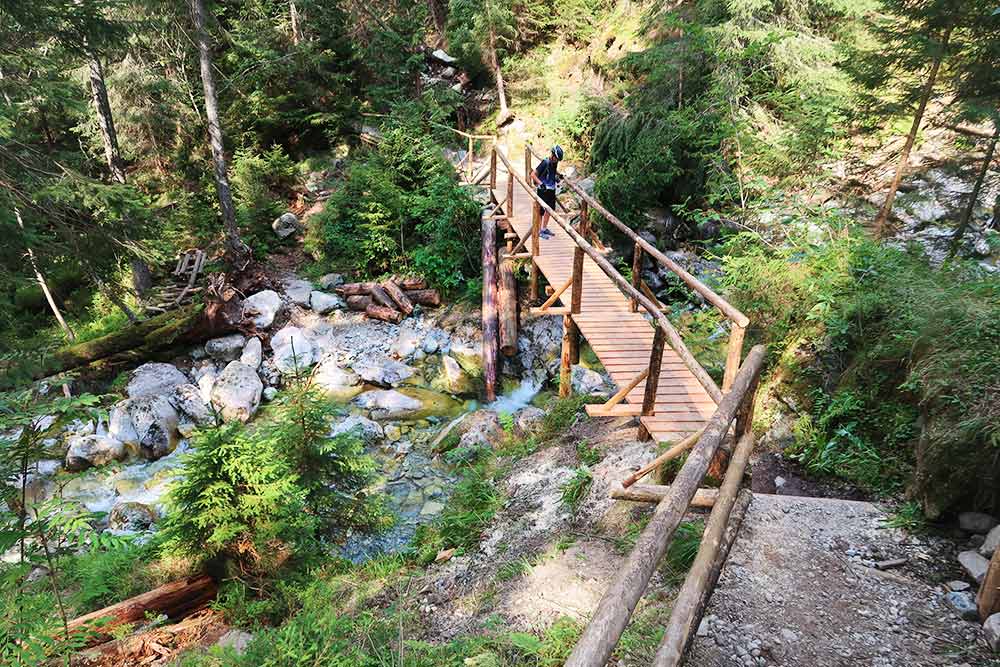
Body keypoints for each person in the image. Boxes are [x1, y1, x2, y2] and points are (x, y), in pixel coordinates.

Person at [530, 145, 563, 239]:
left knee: (549, 210)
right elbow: (533, 175)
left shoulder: (554, 163)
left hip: (551, 189)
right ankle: (539, 231)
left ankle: (544, 228)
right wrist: (541, 184)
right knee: (541, 211)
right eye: (556, 158)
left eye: (558, 160)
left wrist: (559, 175)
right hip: (543, 190)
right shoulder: (545, 162)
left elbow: (553, 171)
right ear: (552, 155)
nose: (557, 161)